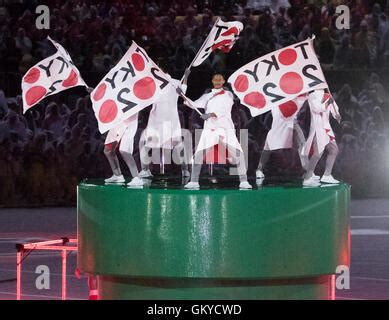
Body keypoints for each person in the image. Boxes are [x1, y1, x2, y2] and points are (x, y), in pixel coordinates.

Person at [183, 73, 252, 190]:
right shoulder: (207, 96)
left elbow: (224, 110)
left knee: (238, 154)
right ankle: (194, 182)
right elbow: (193, 104)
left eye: (220, 79)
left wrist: (209, 114)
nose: (218, 81)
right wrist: (183, 93)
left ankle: (244, 181)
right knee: (199, 155)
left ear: (223, 81)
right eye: (215, 79)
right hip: (210, 129)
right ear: (212, 81)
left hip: (225, 129)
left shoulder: (228, 95)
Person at [139, 68, 191, 178]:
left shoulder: (176, 82)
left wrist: (186, 76)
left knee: (178, 144)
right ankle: (145, 170)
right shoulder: (153, 83)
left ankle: (185, 170)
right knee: (146, 144)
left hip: (170, 119)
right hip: (156, 119)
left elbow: (184, 93)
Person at [256, 94, 308, 180]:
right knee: (268, 146)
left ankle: (307, 171)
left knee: (302, 143)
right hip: (279, 120)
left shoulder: (295, 91)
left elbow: (302, 97)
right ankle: (259, 169)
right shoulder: (275, 93)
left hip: (292, 121)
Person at [302, 89, 341, 186]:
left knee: (334, 150)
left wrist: (337, 115)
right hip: (317, 127)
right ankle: (307, 177)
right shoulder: (312, 96)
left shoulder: (328, 95)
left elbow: (334, 109)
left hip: (326, 127)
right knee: (318, 153)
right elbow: (318, 108)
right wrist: (328, 102)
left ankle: (327, 175)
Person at [103, 114, 143, 188]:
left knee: (124, 150)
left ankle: (137, 178)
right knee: (108, 150)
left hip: (129, 121)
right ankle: (118, 175)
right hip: (117, 120)